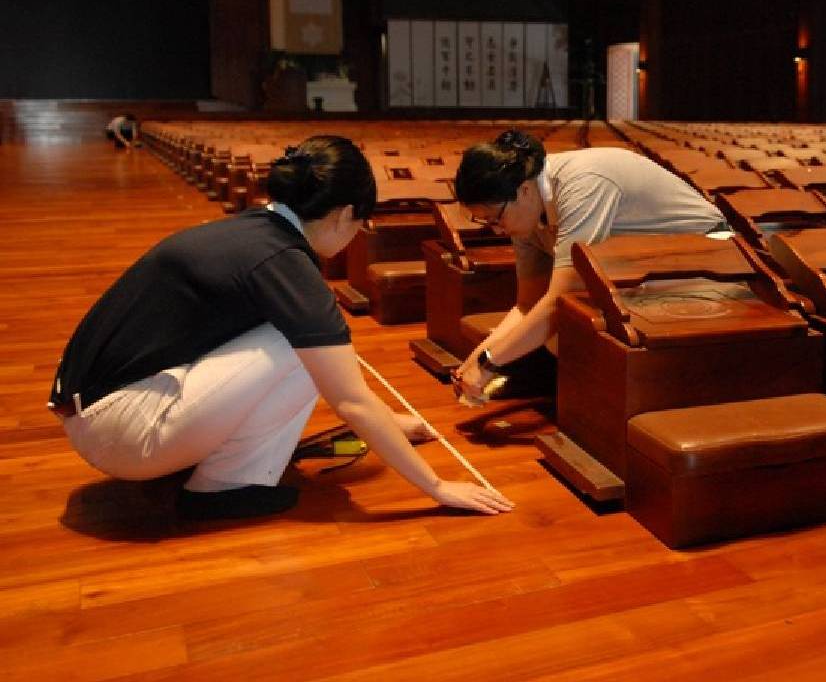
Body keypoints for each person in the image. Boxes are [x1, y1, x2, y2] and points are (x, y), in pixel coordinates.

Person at [49, 135, 513, 520]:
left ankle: (217, 466)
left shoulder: (252, 232)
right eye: (361, 222)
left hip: (95, 413)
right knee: (300, 346)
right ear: (342, 214)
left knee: (307, 347)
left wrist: (390, 423)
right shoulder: (285, 264)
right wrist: (436, 486)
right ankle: (222, 486)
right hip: (120, 435)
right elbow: (349, 399)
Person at [451, 130, 727, 402]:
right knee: (563, 324)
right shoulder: (526, 212)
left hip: (710, 259)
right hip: (645, 265)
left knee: (581, 322)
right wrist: (476, 360)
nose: (497, 231)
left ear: (523, 190)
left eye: (496, 219)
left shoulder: (582, 184)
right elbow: (527, 304)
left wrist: (489, 364)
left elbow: (558, 301)